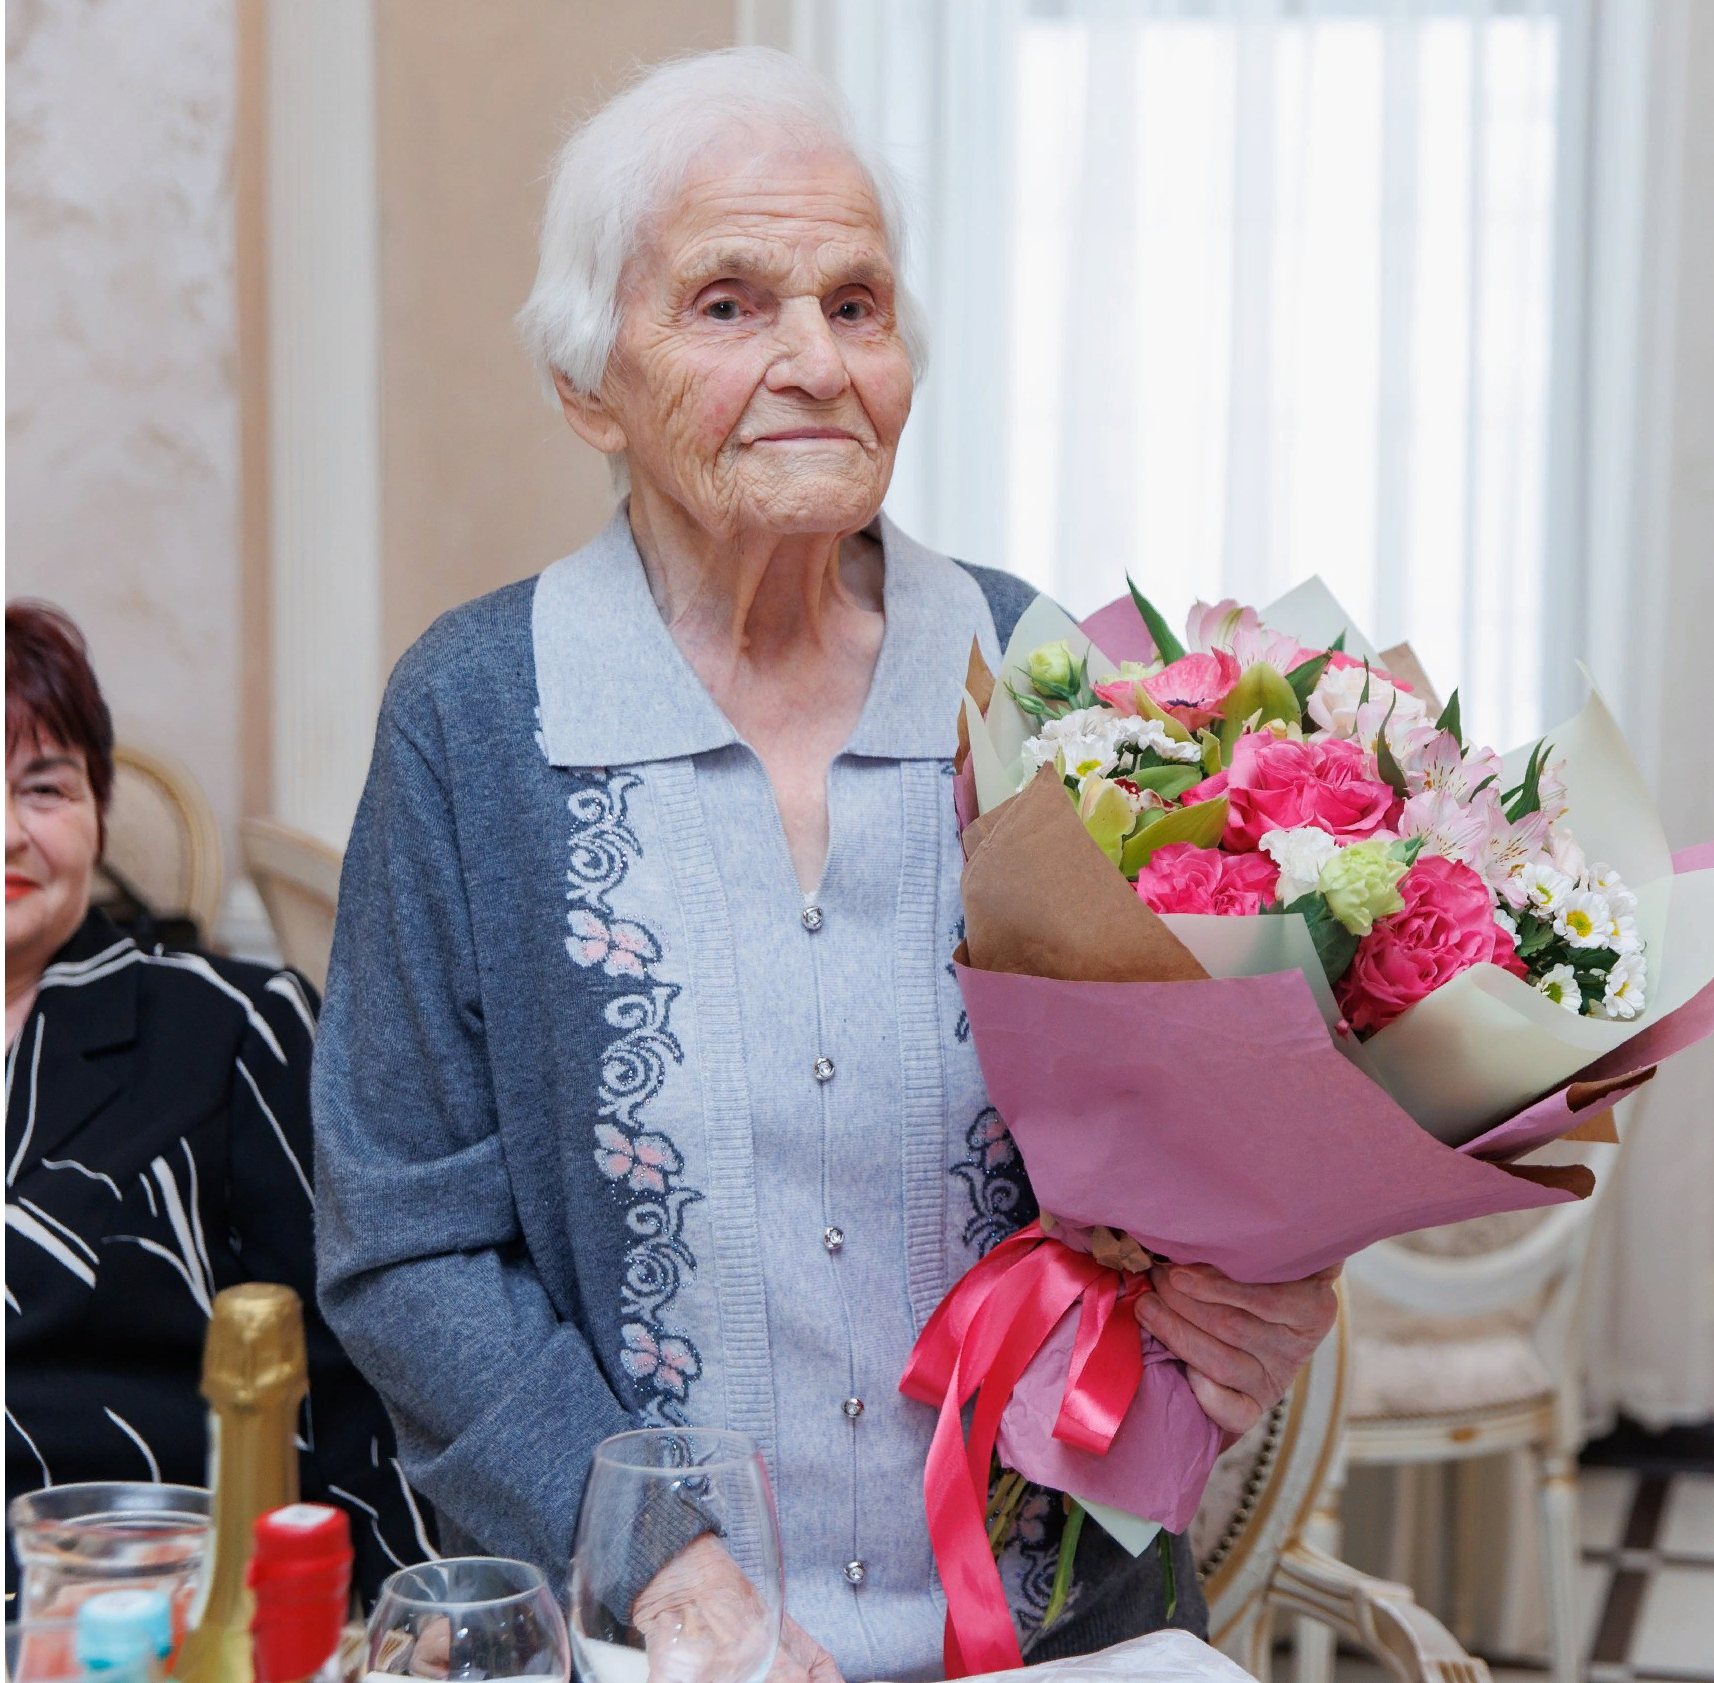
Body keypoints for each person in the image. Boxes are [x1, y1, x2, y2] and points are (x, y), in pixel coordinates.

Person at [310, 47, 1337, 1678]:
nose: (813, 360)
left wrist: (1257, 1290)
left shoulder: (1035, 675)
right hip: (657, 1641)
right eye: (728, 305)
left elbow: (1190, 1133)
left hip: (1058, 1637)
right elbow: (407, 1240)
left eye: (856, 305)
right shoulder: (477, 712)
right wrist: (675, 1578)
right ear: (591, 385)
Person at [2, 601, 429, 1604]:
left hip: (157, 1604)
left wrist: (400, 1601)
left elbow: (352, 1363)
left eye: (45, 787)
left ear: (98, 813)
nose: (10, 833)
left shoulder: (227, 1024)